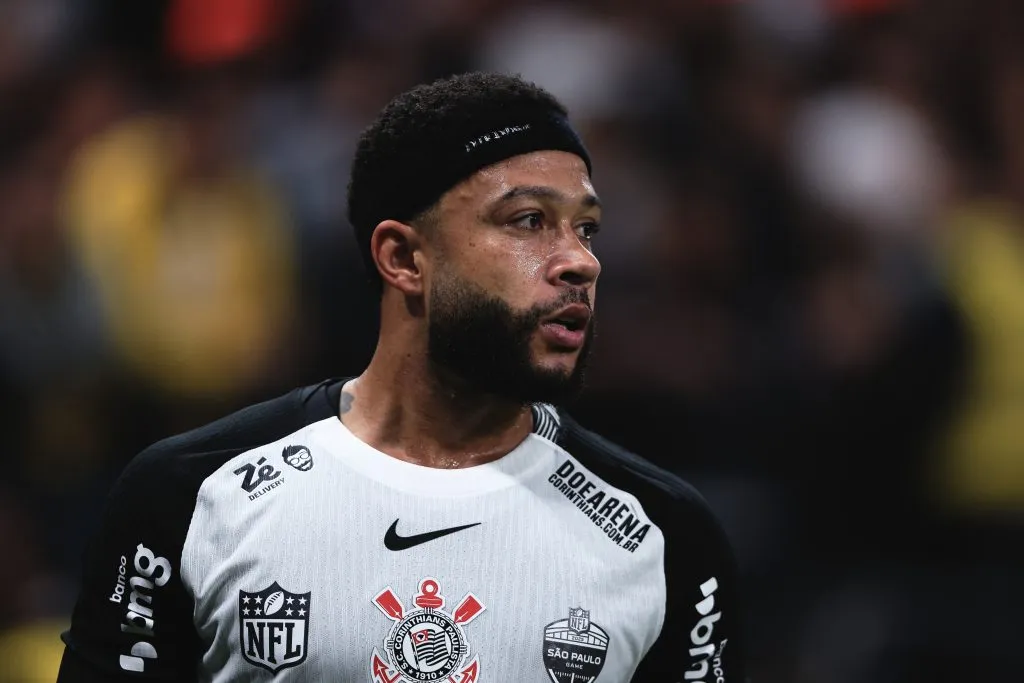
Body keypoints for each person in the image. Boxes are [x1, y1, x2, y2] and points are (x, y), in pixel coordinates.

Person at [57, 72, 745, 683]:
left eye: (586, 228)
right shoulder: (188, 497)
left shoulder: (665, 536)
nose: (580, 262)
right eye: (529, 221)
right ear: (403, 259)